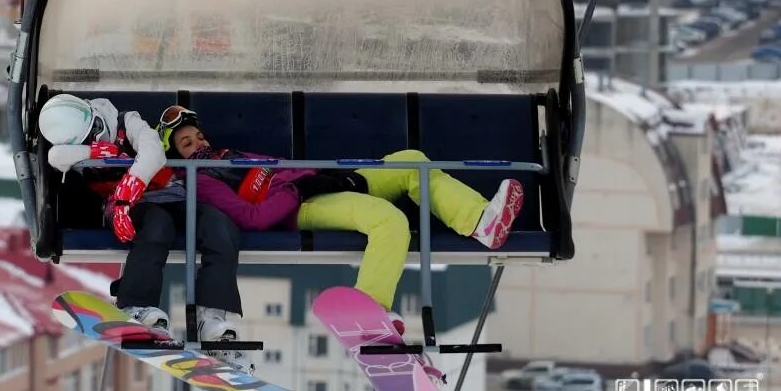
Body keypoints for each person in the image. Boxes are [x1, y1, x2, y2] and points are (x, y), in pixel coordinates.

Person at [156, 105, 524, 334]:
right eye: (187, 144)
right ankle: (370, 313)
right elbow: (252, 217)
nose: (199, 144)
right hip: (301, 210)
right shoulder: (202, 181)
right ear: (176, 156)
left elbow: (280, 171)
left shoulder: (228, 156)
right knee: (388, 220)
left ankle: (480, 222)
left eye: (198, 135)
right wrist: (301, 190)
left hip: (318, 186)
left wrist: (330, 178)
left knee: (412, 161)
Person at [38, 94, 251, 370]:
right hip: (133, 209)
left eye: (96, 130)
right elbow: (56, 156)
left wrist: (128, 187)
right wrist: (96, 154)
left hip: (170, 196)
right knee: (157, 226)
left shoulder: (128, 121)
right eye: (87, 139)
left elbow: (153, 150)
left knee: (218, 225)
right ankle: (137, 305)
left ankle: (213, 318)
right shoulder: (79, 148)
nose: (96, 138)